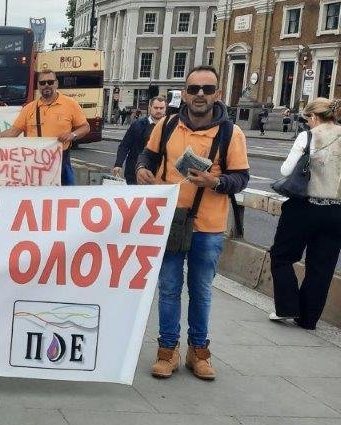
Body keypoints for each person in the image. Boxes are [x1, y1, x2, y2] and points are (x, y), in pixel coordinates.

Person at [136, 65, 250, 381]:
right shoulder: (167, 125)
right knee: (169, 287)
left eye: (207, 89)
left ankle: (198, 351)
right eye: (194, 89)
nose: (200, 94)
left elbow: (241, 178)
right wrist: (142, 169)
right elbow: (147, 156)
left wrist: (216, 182)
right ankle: (167, 350)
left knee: (201, 290)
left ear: (218, 94)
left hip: (208, 227)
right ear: (184, 94)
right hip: (170, 220)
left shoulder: (231, 133)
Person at [269, 98, 341, 329]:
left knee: (281, 256)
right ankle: (308, 319)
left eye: (307, 119)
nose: (308, 123)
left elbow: (286, 170)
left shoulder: (307, 136)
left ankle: (288, 307)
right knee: (322, 267)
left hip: (304, 207)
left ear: (314, 117)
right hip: (336, 212)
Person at [0, 68, 89, 185]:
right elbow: (14, 131)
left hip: (61, 161)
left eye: (50, 82)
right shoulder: (29, 108)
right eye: (42, 83)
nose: (46, 85)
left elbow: (85, 127)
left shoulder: (70, 103)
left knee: (64, 194)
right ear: (38, 85)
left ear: (56, 83)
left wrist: (72, 135)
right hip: (35, 163)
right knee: (36, 194)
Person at [113, 96, 166, 184]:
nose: (159, 111)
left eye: (161, 108)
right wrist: (118, 164)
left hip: (158, 175)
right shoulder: (138, 124)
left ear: (165, 109)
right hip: (135, 173)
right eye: (156, 108)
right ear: (150, 108)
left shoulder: (169, 126)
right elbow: (125, 145)